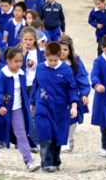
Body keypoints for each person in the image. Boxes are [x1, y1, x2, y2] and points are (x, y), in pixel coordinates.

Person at [0, 47, 40, 171]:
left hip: (17, 109)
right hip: (2, 109)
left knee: (21, 134)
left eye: (21, 61)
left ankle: (29, 161)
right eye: (16, 61)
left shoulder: (21, 74)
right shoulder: (2, 75)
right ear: (8, 61)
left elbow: (23, 93)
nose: (19, 64)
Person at [30, 42, 78, 172]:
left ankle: (55, 161)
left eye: (55, 60)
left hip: (60, 109)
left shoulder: (66, 70)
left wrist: (74, 106)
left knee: (57, 136)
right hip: (43, 106)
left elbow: (72, 89)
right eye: (49, 60)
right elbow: (36, 85)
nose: (52, 63)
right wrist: (33, 102)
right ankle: (46, 163)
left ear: (60, 56)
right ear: (45, 56)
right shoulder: (40, 68)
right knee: (45, 134)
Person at [59, 36, 90, 153]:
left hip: (73, 96)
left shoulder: (75, 64)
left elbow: (82, 80)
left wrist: (84, 94)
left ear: (70, 51)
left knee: (72, 118)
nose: (62, 52)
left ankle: (70, 138)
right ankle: (63, 140)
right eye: (60, 49)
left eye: (65, 50)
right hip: (58, 97)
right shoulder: (52, 62)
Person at [21, 26, 44, 145]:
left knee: (33, 113)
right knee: (21, 113)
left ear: (35, 39)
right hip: (22, 86)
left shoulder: (41, 53)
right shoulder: (18, 52)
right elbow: (17, 68)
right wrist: (23, 54)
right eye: (25, 39)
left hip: (36, 86)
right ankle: (21, 139)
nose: (28, 42)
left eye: (30, 39)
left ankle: (34, 139)